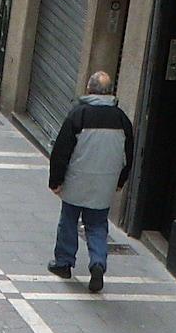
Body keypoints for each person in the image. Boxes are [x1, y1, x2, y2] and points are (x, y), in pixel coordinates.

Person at [46, 71, 134, 294]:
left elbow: (61, 151)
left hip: (77, 179)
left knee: (68, 220)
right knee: (97, 225)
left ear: (89, 89)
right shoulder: (122, 119)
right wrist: (120, 181)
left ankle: (64, 263)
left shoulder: (78, 115)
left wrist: (56, 180)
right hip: (105, 182)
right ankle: (97, 263)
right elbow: (129, 154)